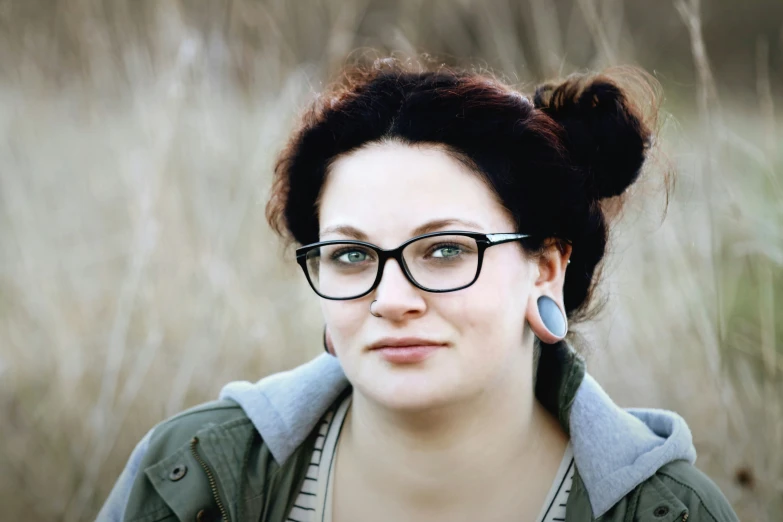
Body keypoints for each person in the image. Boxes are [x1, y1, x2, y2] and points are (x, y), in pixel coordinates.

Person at [98, 56, 739, 522]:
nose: (391, 298)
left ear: (545, 267)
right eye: (351, 255)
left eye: (444, 250)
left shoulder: (668, 512)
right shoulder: (194, 475)